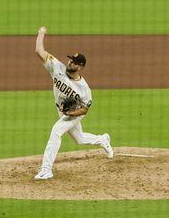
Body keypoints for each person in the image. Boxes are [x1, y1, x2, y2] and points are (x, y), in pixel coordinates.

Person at [33, 27, 113, 180]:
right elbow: (38, 51)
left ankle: (46, 169)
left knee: (56, 131)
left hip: (74, 113)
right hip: (62, 110)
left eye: (74, 62)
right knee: (79, 138)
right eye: (70, 60)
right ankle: (102, 139)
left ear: (80, 67)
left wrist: (70, 114)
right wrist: (41, 32)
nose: (70, 63)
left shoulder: (84, 89)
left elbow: (84, 109)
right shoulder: (57, 67)